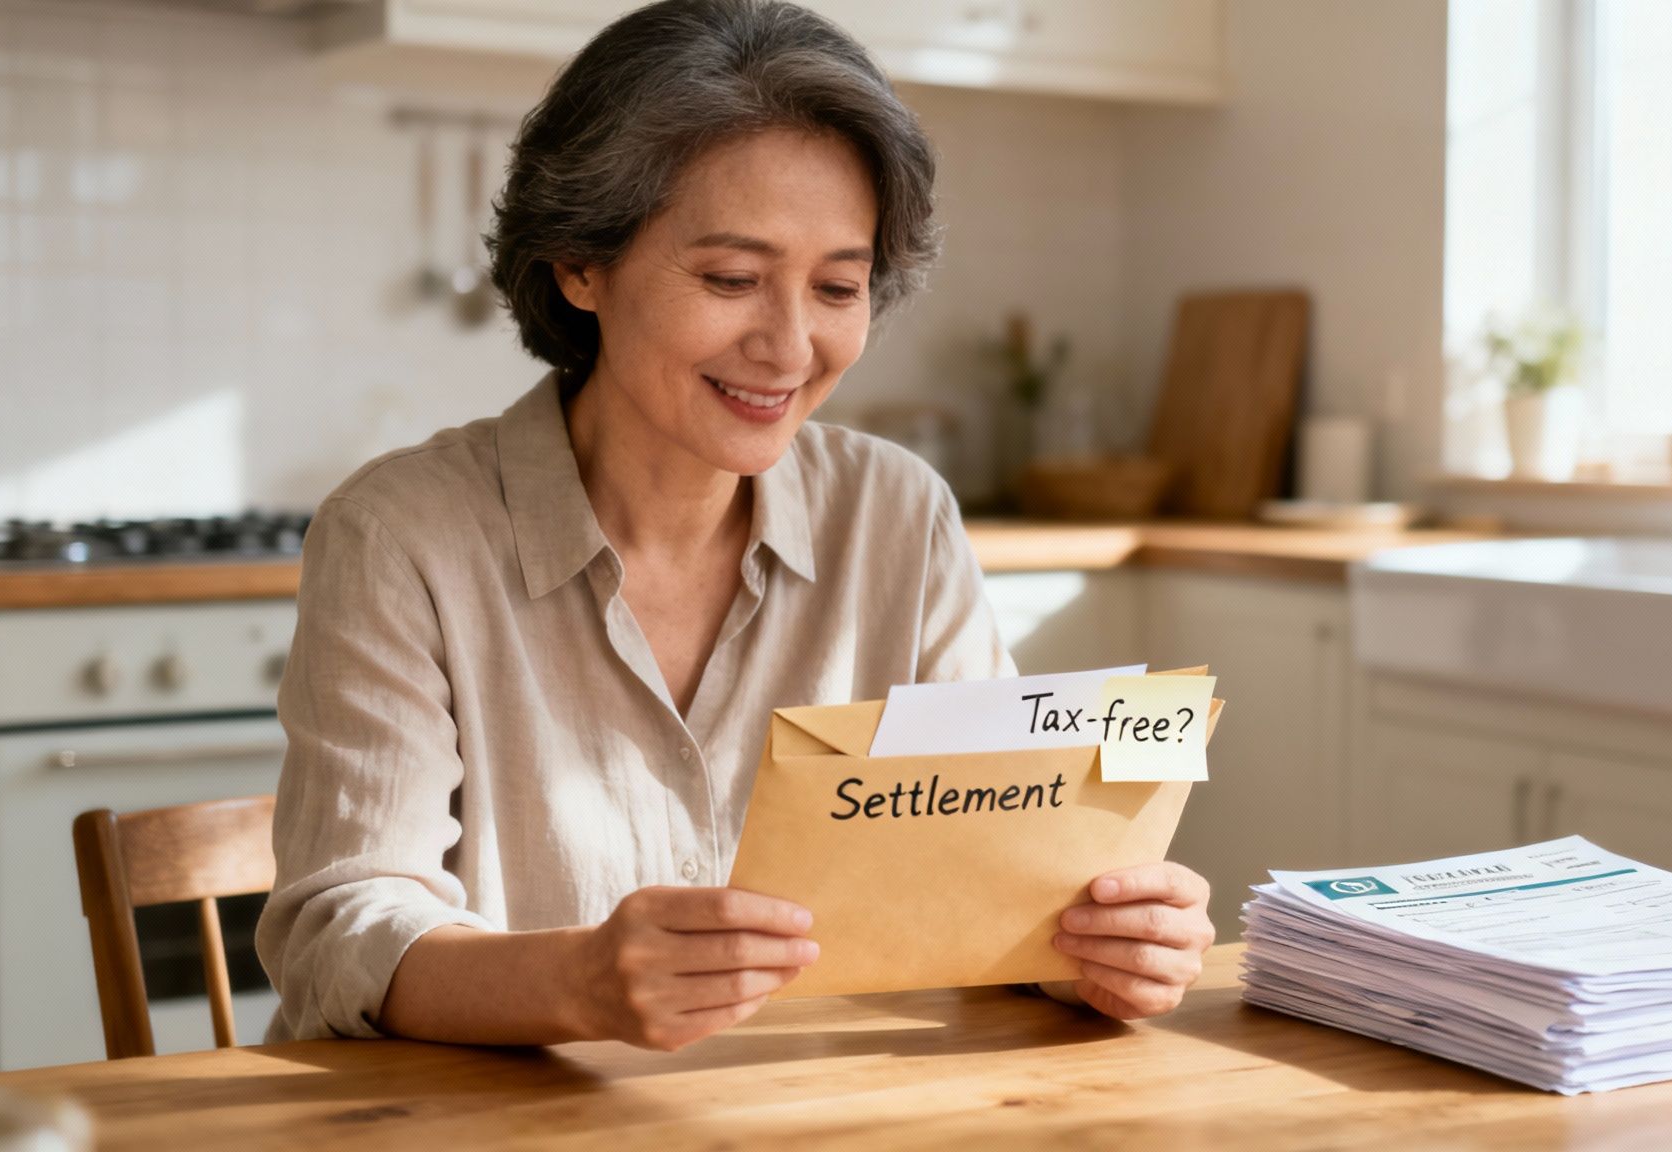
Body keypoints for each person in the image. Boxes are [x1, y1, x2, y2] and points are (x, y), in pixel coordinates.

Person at [254, 0, 1214, 1052]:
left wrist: (1093, 948)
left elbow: (996, 868)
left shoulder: (895, 516)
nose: (789, 346)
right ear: (581, 264)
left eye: (837, 287)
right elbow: (337, 935)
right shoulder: (399, 535)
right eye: (730, 279)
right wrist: (576, 982)